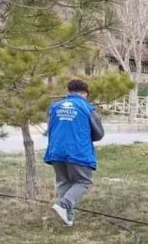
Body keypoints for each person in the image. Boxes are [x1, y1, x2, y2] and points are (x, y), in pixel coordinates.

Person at [44, 78, 105, 227]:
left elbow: (50, 129)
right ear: (85, 93)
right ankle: (64, 205)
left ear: (69, 91)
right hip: (78, 152)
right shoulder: (86, 107)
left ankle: (67, 218)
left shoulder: (55, 107)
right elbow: (98, 134)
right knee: (83, 181)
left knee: (64, 182)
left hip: (56, 151)